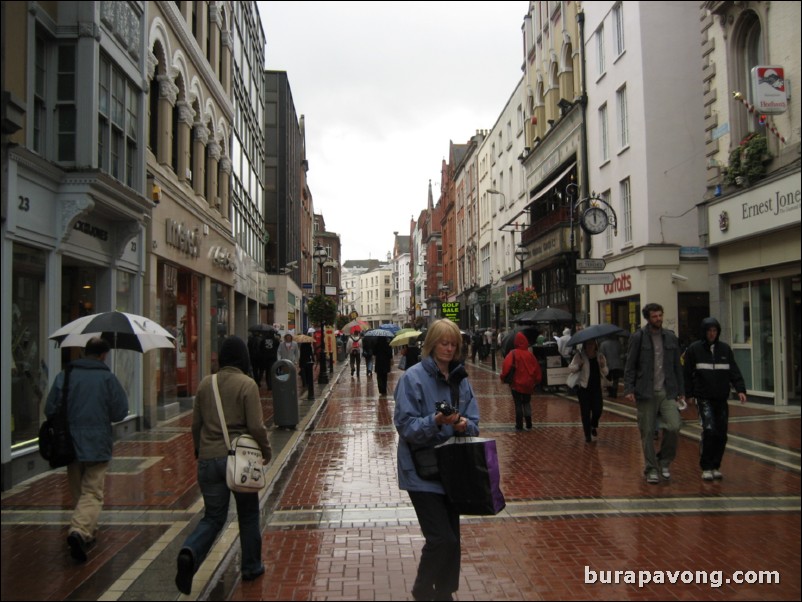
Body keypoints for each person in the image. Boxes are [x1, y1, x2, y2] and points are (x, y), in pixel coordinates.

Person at [175, 335, 271, 595]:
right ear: (243, 357)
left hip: (209, 458)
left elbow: (196, 424)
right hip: (240, 461)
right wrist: (266, 451)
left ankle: (190, 552)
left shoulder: (206, 384)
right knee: (248, 515)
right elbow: (256, 426)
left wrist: (199, 449)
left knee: (213, 517)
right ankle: (251, 566)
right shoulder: (247, 384)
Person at [394, 319, 479, 602]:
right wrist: (436, 421)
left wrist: (464, 424)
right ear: (432, 344)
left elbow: (475, 421)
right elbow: (405, 426)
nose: (448, 348)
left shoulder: (460, 378)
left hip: (452, 469)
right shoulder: (412, 378)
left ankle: (444, 593)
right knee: (442, 538)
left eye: (453, 343)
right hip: (421, 471)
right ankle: (422, 588)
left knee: (453, 540)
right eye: (443, 342)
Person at [44, 336, 129, 563]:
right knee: (92, 492)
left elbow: (50, 408)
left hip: (70, 444)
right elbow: (121, 411)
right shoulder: (107, 378)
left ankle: (87, 532)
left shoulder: (66, 375)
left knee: (78, 491)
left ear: (85, 352)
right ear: (103, 355)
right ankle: (80, 531)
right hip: (98, 443)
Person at [623, 303, 685, 484]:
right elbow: (630, 364)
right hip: (645, 391)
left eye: (660, 315)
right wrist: (629, 388)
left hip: (667, 390)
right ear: (648, 318)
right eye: (655, 316)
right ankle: (651, 468)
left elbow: (676, 366)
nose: (658, 319)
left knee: (674, 426)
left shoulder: (670, 338)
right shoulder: (639, 338)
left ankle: (664, 461)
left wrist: (681, 390)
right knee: (647, 431)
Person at [683, 317, 747, 481]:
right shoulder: (694, 349)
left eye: (714, 331)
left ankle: (716, 465)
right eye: (709, 331)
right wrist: (688, 394)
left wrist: (740, 389)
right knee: (709, 430)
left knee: (722, 433)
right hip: (703, 397)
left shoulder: (725, 350)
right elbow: (687, 374)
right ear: (704, 332)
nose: (712, 334)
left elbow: (734, 371)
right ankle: (706, 466)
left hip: (721, 397)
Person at [568, 339, 609, 442]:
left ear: (595, 345)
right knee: (585, 412)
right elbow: (571, 368)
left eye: (592, 344)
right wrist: (579, 365)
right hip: (583, 389)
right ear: (585, 346)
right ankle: (587, 435)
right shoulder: (580, 356)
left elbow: (606, 372)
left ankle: (593, 424)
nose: (590, 346)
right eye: (588, 344)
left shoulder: (600, 356)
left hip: (596, 388)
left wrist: (603, 365)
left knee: (598, 410)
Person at [499, 332, 542, 431]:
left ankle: (519, 425)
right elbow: (537, 369)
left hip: (516, 384)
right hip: (528, 384)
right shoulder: (530, 355)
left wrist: (502, 377)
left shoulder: (512, 353)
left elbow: (506, 367)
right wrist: (537, 380)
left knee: (518, 404)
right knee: (526, 403)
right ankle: (529, 423)